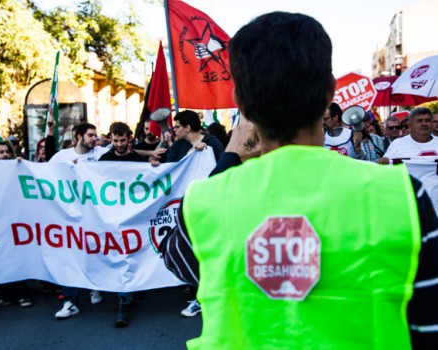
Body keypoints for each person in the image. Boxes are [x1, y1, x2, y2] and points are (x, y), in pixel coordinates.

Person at [160, 12, 438, 349]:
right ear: (329, 94)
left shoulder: (204, 201)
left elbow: (178, 262)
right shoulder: (403, 194)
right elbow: (428, 327)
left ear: (240, 104)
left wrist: (232, 153)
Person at [50, 123, 108, 318]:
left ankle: (95, 286)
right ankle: (70, 301)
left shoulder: (101, 152)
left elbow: (127, 155)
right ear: (78, 136)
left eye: (95, 135)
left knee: (95, 249)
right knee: (70, 254)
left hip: (96, 213)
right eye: (90, 135)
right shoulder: (61, 157)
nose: (94, 138)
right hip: (72, 214)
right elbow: (44, 175)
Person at [98, 122, 147, 328]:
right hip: (112, 217)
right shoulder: (103, 160)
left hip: (134, 217)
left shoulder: (138, 159)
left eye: (122, 140)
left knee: (130, 255)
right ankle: (124, 297)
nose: (118, 144)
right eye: (115, 140)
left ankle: (124, 300)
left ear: (130, 139)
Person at [0, 142, 33, 309]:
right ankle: (3, 295)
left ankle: (22, 294)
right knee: (1, 257)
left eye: (7, 152)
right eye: (1, 152)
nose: (6, 155)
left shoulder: (17, 168)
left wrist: (22, 166)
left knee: (16, 256)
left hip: (15, 221)